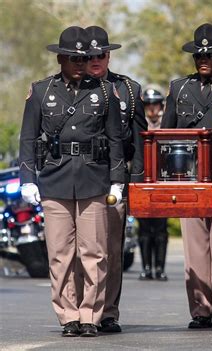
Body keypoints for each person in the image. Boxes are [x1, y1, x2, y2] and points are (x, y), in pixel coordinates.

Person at [19, 26, 125, 337]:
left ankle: (90, 315)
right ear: (61, 58)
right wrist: (29, 178)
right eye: (73, 58)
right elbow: (28, 138)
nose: (80, 63)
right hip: (55, 178)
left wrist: (117, 181)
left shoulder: (105, 91)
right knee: (60, 253)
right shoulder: (41, 92)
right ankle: (68, 315)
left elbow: (115, 140)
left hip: (94, 178)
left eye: (84, 58)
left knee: (94, 252)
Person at [161, 23, 212, 329]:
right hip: (188, 176)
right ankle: (200, 310)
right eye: (198, 55)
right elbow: (165, 135)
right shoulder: (179, 88)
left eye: (210, 54)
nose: (203, 59)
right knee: (195, 248)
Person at [84, 25, 147, 333]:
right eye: (91, 54)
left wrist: (133, 183)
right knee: (78, 251)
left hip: (113, 180)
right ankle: (82, 311)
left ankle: (107, 311)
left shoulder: (128, 89)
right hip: (78, 177)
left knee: (110, 248)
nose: (96, 60)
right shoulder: (68, 87)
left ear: (109, 56)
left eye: (102, 54)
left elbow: (138, 139)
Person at [138, 87, 169, 281]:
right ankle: (146, 267)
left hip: (163, 177)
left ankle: (160, 267)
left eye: (155, 104)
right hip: (143, 178)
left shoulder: (166, 123)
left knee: (160, 228)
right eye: (148, 105)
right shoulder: (140, 123)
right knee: (143, 228)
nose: (151, 109)